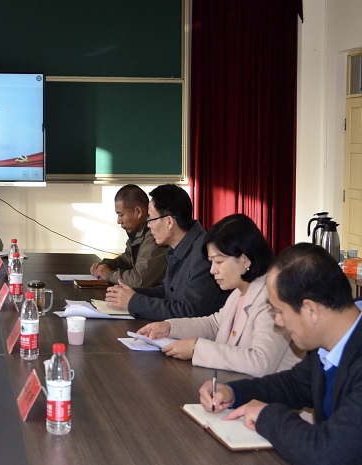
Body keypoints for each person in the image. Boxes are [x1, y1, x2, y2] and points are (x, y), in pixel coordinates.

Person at [200, 243, 362, 465]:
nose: (277, 322)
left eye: (279, 311)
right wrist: (234, 392)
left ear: (311, 310)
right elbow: (294, 385)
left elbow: (327, 452)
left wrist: (267, 416)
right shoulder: (326, 345)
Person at [137, 214, 301, 377]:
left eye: (219, 261)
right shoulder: (239, 291)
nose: (212, 270)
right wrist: (168, 327)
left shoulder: (272, 298)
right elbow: (214, 325)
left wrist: (196, 348)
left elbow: (260, 362)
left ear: (245, 259)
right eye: (211, 262)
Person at [105, 184, 227, 320]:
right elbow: (167, 292)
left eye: (150, 219)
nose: (148, 225)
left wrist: (134, 301)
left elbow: (189, 312)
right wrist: (131, 293)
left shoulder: (204, 253)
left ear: (169, 221)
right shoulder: (177, 246)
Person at [90, 184, 167, 288]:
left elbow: (139, 280)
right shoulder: (138, 232)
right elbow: (127, 260)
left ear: (138, 212)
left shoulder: (155, 236)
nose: (118, 221)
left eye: (121, 215)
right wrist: (106, 265)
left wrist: (109, 275)